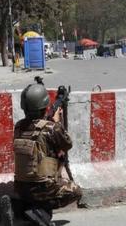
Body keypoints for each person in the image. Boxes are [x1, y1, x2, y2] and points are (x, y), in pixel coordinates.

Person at [11, 83, 82, 225]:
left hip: (20, 186)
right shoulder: (51, 127)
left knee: (33, 192)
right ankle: (39, 214)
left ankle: (20, 208)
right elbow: (67, 144)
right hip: (42, 187)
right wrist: (56, 122)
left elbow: (37, 137)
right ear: (44, 106)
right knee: (76, 191)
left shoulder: (18, 126)